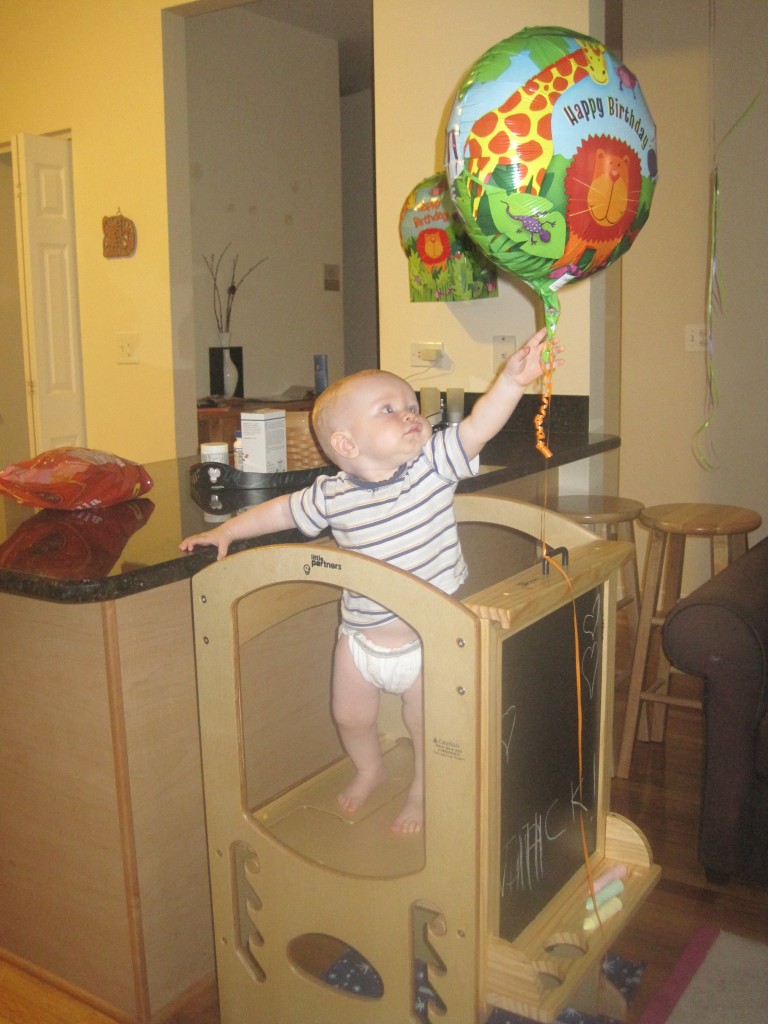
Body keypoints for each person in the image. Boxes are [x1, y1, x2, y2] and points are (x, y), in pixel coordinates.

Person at [181, 327, 561, 834]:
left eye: (410, 404)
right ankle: (370, 768)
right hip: (360, 637)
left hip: (429, 638)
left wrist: (511, 384)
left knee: (425, 723)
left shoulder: (432, 467)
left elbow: (477, 428)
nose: (409, 413)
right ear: (346, 443)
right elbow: (277, 512)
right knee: (349, 716)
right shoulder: (332, 494)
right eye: (388, 409)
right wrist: (226, 531)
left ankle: (423, 789)